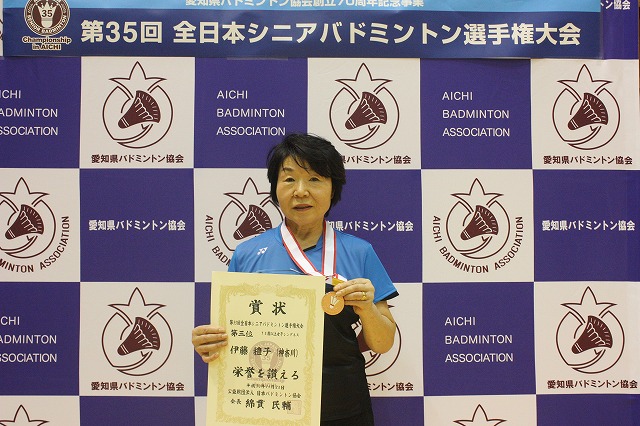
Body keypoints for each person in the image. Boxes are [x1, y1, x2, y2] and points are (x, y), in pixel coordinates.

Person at [192, 133, 398, 425]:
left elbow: (383, 343)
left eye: (314, 179)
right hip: (267, 403)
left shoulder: (360, 252)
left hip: (342, 405)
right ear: (275, 189)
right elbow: (232, 337)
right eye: (289, 179)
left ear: (333, 188)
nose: (301, 191)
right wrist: (209, 343)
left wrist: (367, 309)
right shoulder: (247, 254)